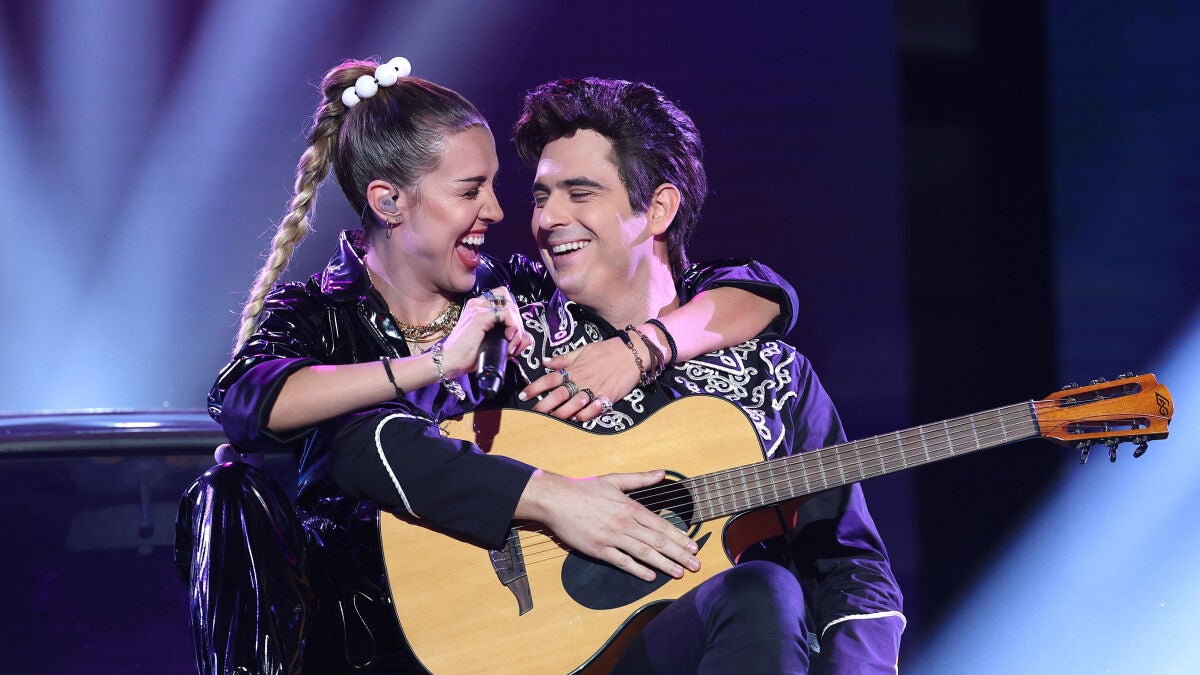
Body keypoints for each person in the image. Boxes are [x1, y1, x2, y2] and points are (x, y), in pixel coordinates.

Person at [175, 57, 799, 674]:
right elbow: (246, 402)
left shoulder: (515, 290)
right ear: (390, 201)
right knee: (227, 494)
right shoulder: (319, 314)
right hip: (358, 631)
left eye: (496, 187)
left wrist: (643, 347)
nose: (498, 211)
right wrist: (438, 363)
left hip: (510, 618)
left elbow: (754, 290)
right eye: (470, 191)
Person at [497, 77, 907, 673]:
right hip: (546, 652)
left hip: (729, 647)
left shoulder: (772, 376)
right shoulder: (513, 347)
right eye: (541, 197)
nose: (548, 218)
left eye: (579, 193)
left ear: (658, 209)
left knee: (762, 589)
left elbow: (848, 567)